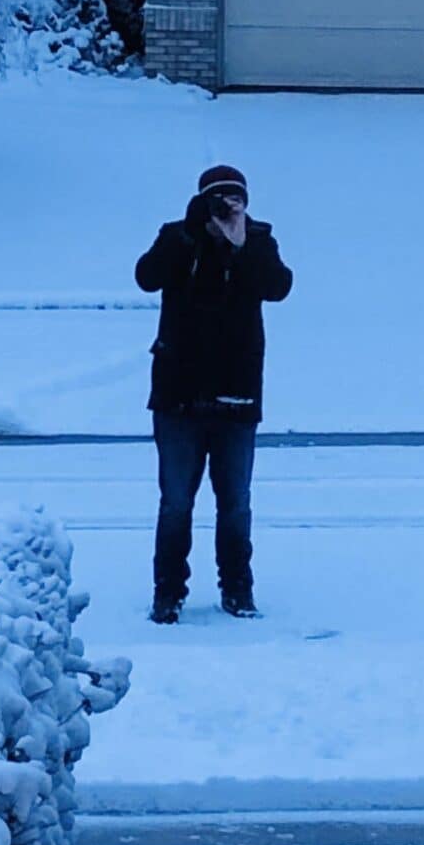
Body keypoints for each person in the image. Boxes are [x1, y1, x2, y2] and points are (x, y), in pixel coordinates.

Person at [134, 165, 293, 624]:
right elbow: (147, 277)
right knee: (176, 501)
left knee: (235, 503)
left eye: (235, 198)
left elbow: (278, 287)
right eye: (218, 198)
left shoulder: (259, 241)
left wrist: (241, 244)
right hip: (178, 396)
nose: (228, 207)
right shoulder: (177, 237)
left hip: (237, 395)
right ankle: (168, 593)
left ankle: (238, 589)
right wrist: (188, 234)